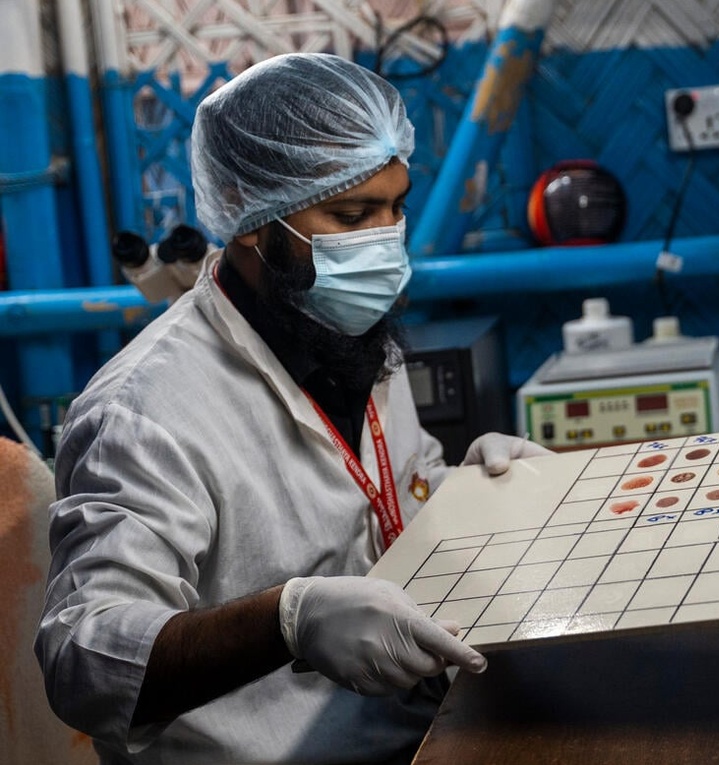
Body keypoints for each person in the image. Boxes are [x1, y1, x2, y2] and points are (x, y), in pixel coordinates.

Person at [36, 52, 551, 765]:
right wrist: (287, 621)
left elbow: (391, 485)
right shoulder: (145, 412)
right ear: (251, 214)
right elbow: (84, 656)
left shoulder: (348, 333)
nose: (385, 239)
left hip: (424, 734)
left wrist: (465, 490)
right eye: (351, 213)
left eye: (396, 207)